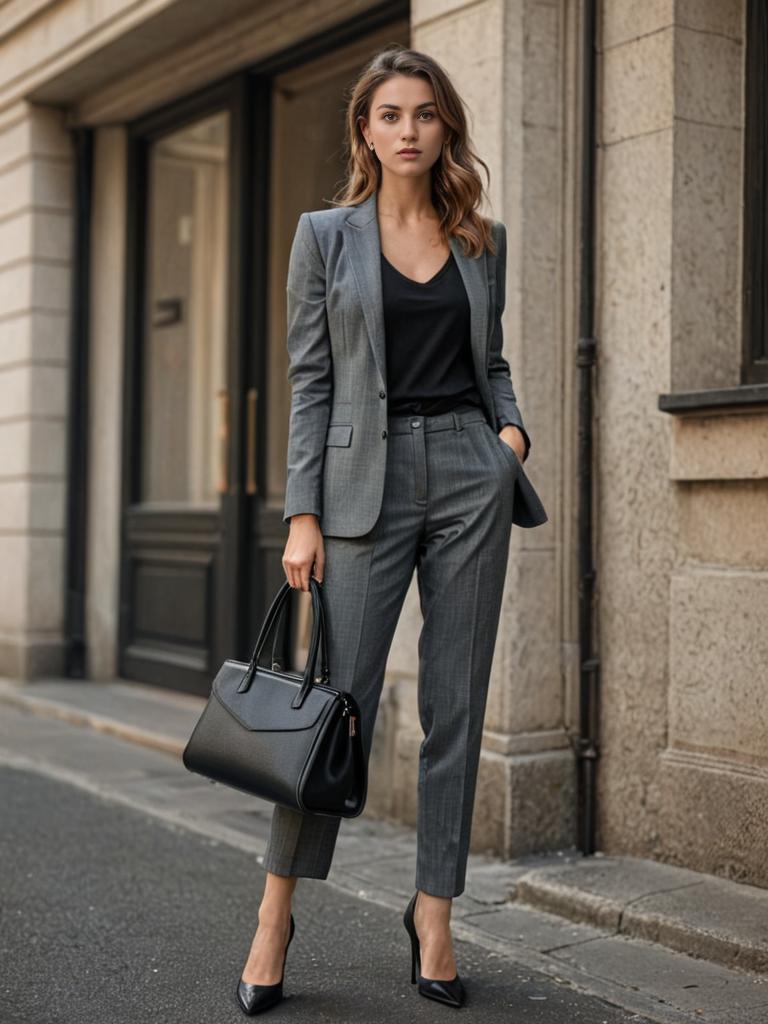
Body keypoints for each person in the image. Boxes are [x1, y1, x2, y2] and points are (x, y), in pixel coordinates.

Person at [236, 44, 547, 1015]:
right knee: (335, 713)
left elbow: (488, 359)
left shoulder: (478, 237)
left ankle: (435, 912)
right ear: (364, 132)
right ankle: (276, 914)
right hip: (361, 484)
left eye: (424, 113)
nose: (408, 129)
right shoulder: (325, 237)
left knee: (455, 707)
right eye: (389, 115)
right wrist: (301, 510)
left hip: (468, 472)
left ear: (446, 124)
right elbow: (311, 383)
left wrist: (509, 432)